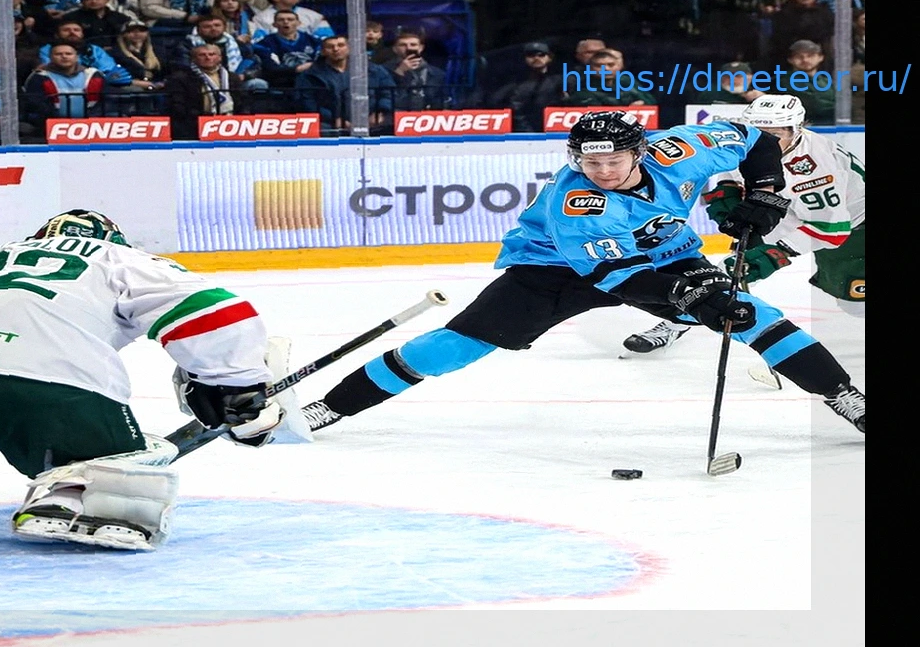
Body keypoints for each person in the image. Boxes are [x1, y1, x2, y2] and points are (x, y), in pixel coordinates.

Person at [299, 110, 866, 435]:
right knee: (456, 347)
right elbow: (617, 276)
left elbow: (756, 139)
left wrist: (764, 192)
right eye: (590, 161)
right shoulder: (578, 204)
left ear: (641, 151)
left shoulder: (683, 147)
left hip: (664, 251)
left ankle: (844, 396)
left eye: (613, 160)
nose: (602, 170)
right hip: (553, 271)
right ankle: (333, 406)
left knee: (753, 316)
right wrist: (690, 295)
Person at [0, 209, 286, 550]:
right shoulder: (118, 257)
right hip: (39, 379)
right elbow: (214, 310)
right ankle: (73, 493)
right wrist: (237, 385)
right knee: (135, 457)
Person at [623, 94, 864, 356]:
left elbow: (832, 229)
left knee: (855, 304)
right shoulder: (746, 142)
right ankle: (675, 323)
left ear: (797, 130)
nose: (765, 141)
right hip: (790, 212)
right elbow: (731, 172)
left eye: (775, 134)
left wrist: (777, 253)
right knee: (727, 272)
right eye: (759, 132)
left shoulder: (813, 167)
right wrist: (725, 192)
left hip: (854, 224)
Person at [294, 34, 394, 135]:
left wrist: (380, 113)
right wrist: (335, 119)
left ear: (349, 48)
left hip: (372, 124)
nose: (336, 49)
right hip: (328, 125)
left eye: (341, 45)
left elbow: (389, 93)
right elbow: (307, 103)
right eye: (330, 47)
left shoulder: (374, 70)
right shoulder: (310, 75)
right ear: (323, 52)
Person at [385, 31, 452, 111]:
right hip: (396, 114)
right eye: (403, 45)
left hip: (426, 115)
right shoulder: (384, 70)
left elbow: (441, 99)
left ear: (421, 48)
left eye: (413, 45)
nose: (409, 48)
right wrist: (400, 72)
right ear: (395, 49)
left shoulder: (437, 73)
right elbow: (388, 97)